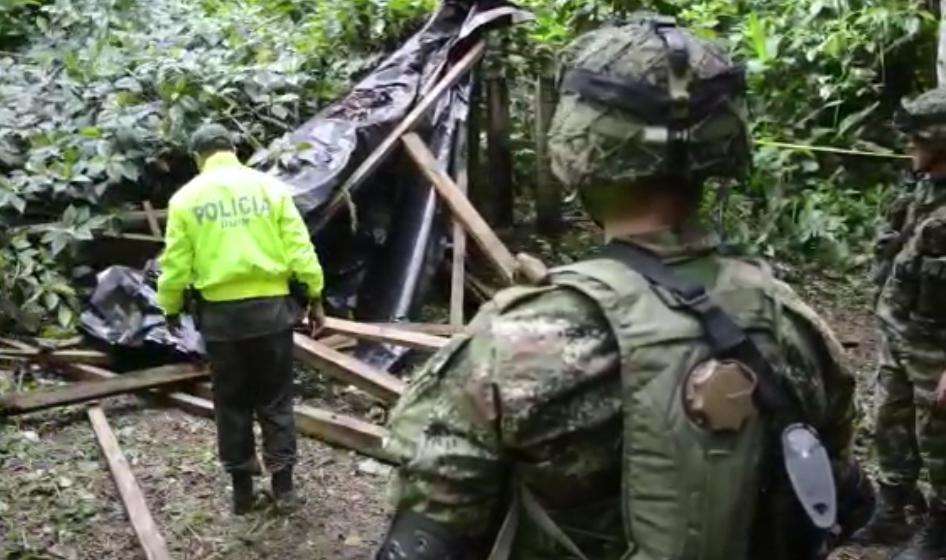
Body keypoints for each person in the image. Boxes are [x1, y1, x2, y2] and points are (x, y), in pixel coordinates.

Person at [375, 16, 859, 560]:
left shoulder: (511, 346)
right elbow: (832, 496)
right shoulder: (797, 328)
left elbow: (428, 537)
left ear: (577, 148)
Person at [156, 124, 325, 514]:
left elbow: (175, 264)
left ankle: (242, 492)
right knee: (276, 400)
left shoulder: (186, 199)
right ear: (232, 149)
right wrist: (315, 295)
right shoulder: (270, 188)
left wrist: (170, 306)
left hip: (221, 319)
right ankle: (284, 490)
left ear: (199, 157)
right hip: (271, 312)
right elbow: (300, 249)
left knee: (231, 402)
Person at [849, 89, 946, 559]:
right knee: (890, 418)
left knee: (940, 437)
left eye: (916, 138)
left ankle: (940, 526)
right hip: (900, 331)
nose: (908, 145)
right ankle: (892, 511)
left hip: (939, 348)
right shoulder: (921, 187)